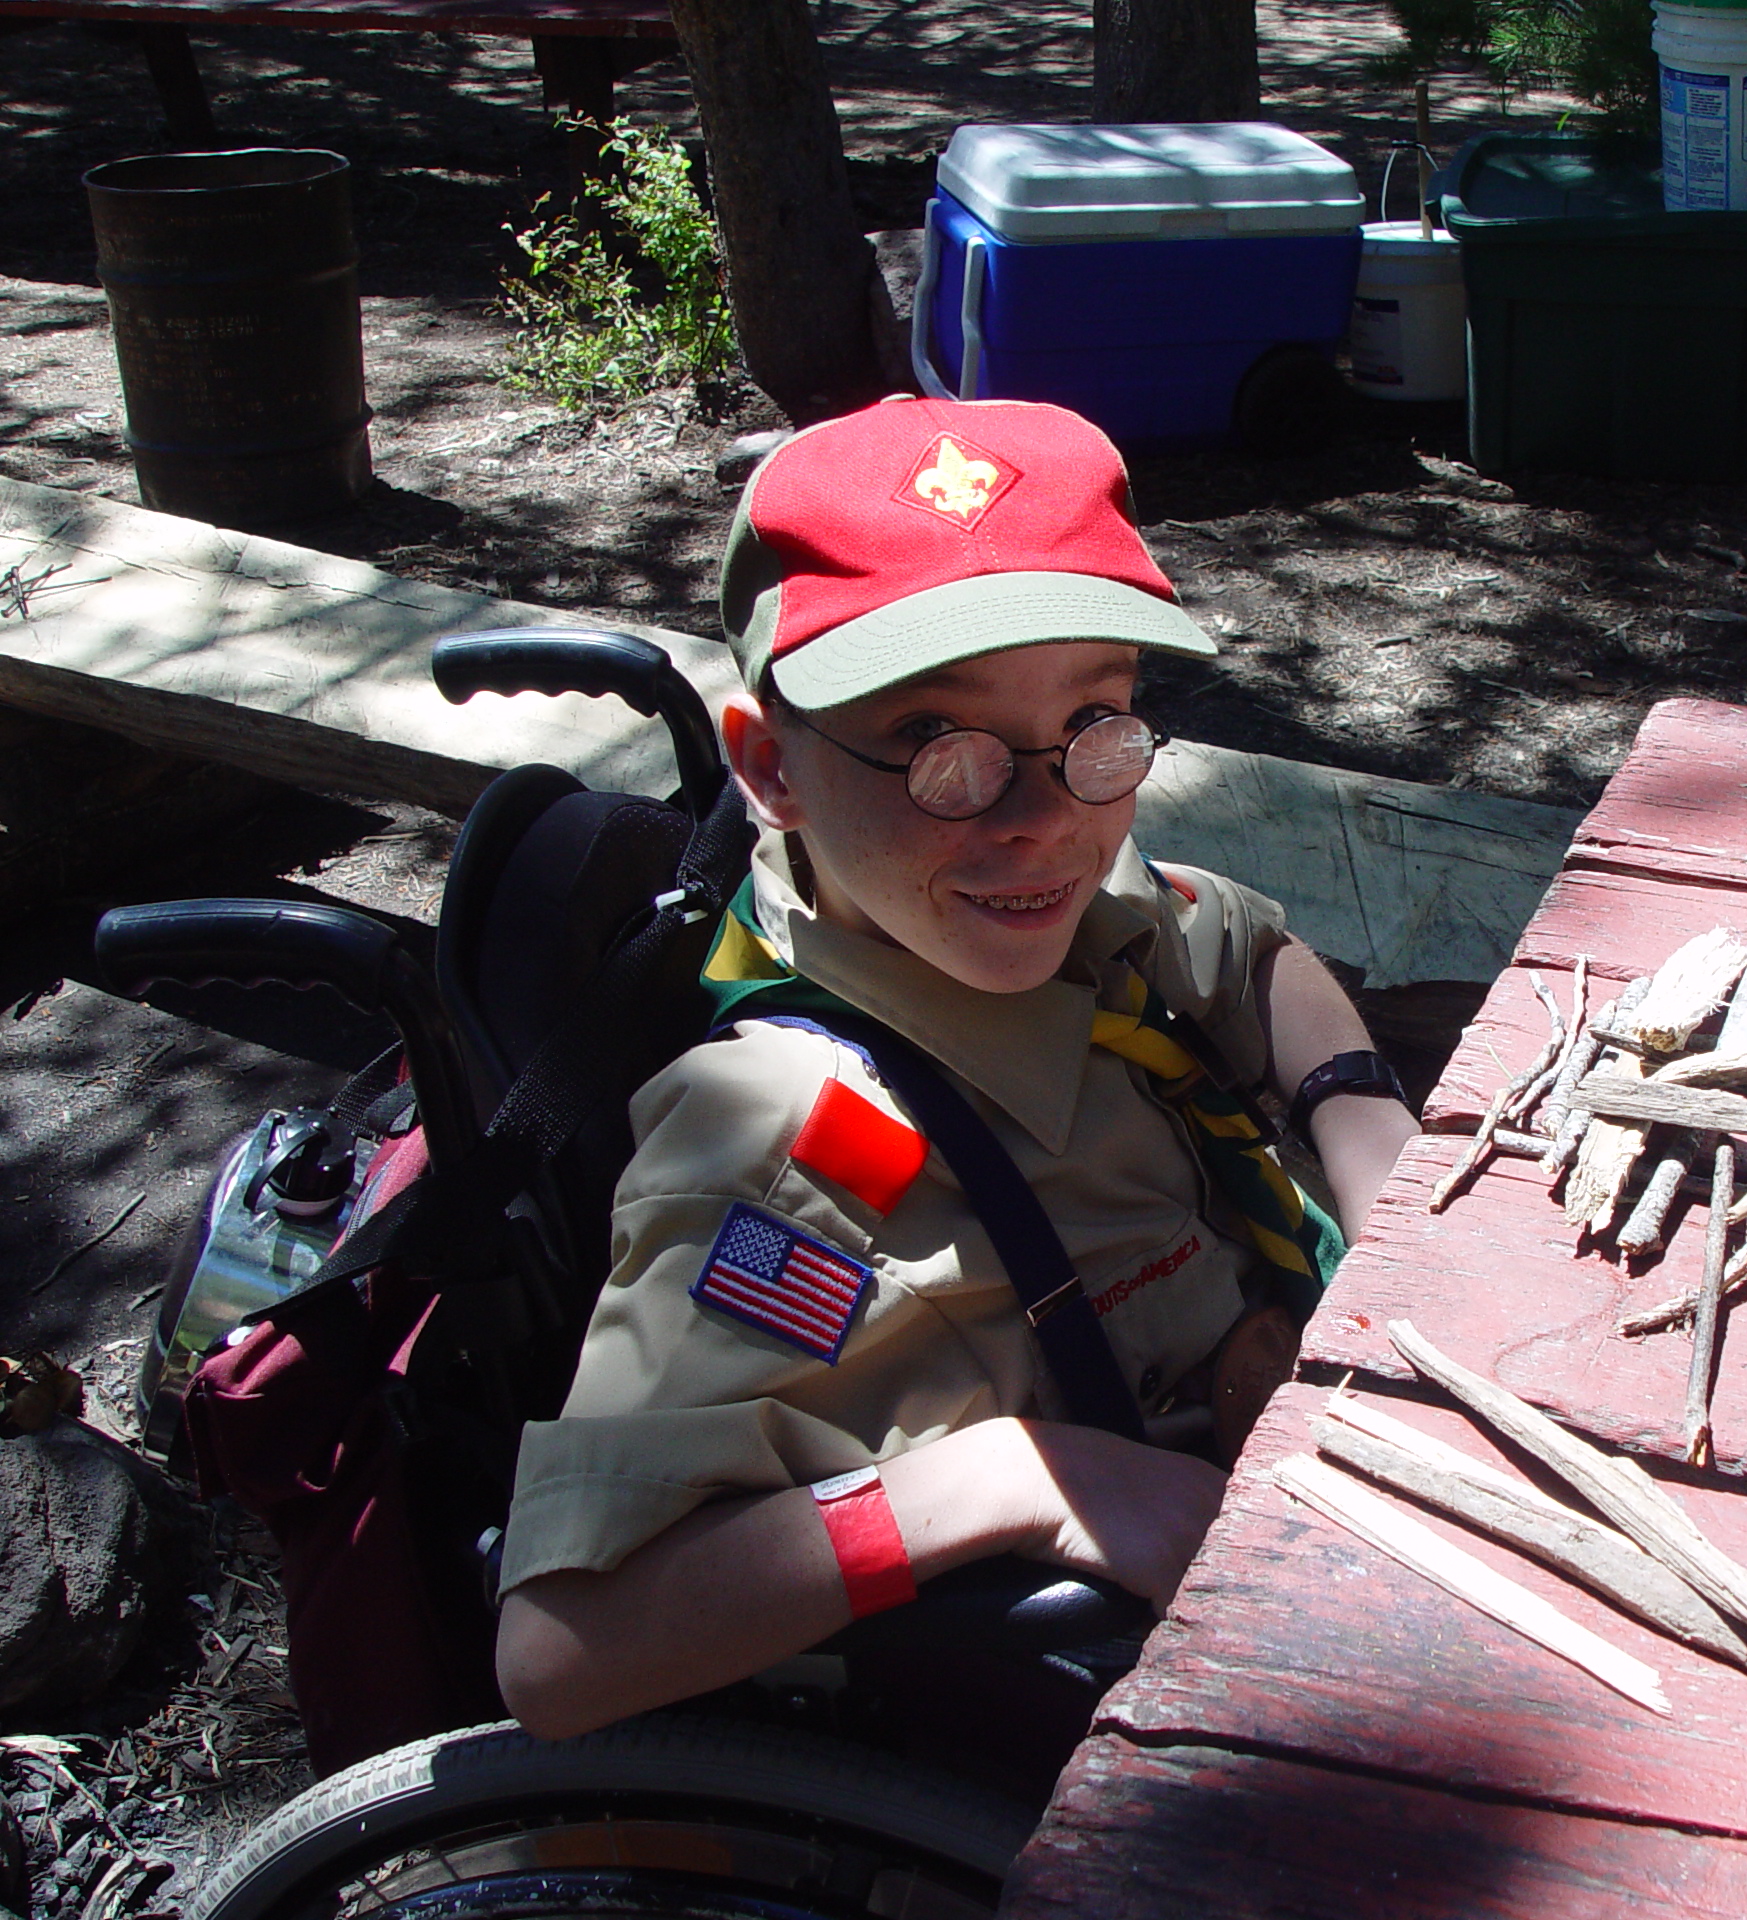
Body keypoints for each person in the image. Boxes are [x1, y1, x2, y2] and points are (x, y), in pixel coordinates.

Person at [491, 396, 1419, 1743]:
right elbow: (562, 1651)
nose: (1044, 821)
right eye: (941, 745)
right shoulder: (793, 1158)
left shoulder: (1069, 909)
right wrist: (1008, 1482)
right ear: (773, 768)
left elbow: (1251, 950)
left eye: (1095, 722)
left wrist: (1363, 1125)